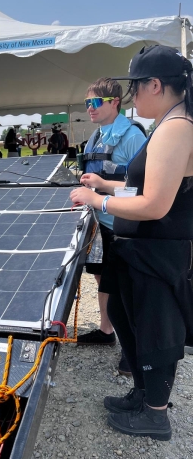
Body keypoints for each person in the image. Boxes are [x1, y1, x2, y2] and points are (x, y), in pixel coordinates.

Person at [70, 45, 193, 440]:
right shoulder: (167, 123)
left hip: (159, 252)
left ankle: (155, 414)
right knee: (127, 317)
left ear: (155, 85)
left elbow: (155, 204)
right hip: (141, 249)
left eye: (135, 86)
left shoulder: (177, 127)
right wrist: (106, 185)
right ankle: (141, 394)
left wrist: (98, 200)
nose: (132, 95)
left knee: (156, 329)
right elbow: (142, 188)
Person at [76, 78, 146, 377]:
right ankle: (107, 331)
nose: (89, 109)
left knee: (127, 289)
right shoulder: (97, 135)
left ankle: (137, 351)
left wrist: (103, 187)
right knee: (103, 278)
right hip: (99, 224)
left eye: (95, 102)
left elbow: (144, 191)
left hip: (124, 227)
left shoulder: (132, 137)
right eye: (87, 103)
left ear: (115, 102)